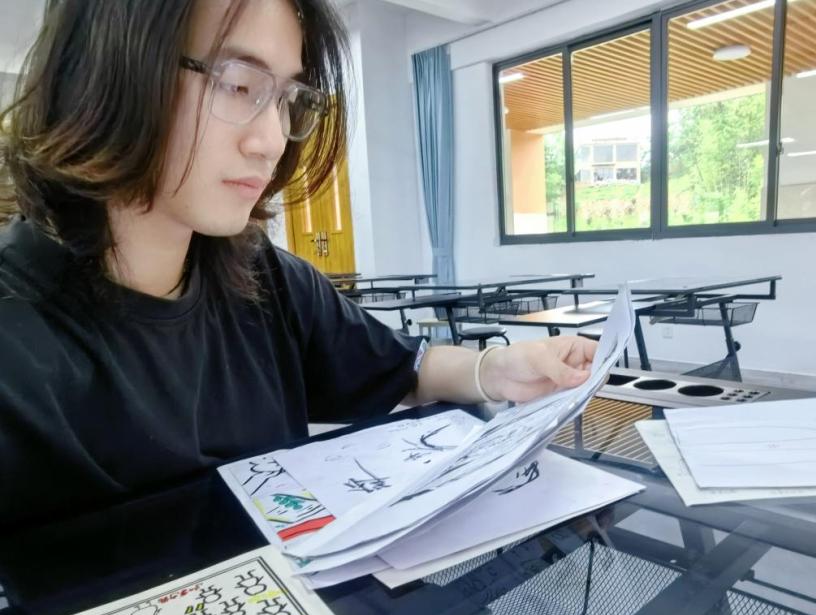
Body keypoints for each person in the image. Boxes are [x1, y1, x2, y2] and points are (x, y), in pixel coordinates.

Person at [0, 0, 596, 523]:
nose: (270, 140)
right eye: (238, 85)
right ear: (105, 70)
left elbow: (404, 369)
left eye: (288, 99)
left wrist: (499, 368)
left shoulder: (263, 277)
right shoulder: (18, 338)